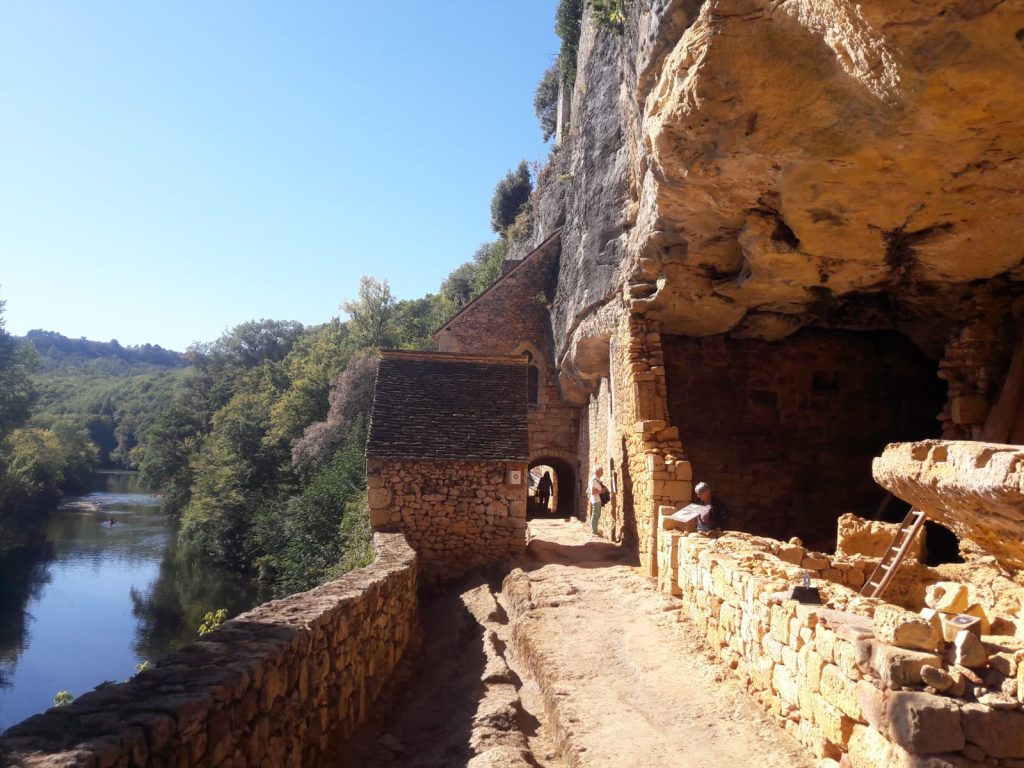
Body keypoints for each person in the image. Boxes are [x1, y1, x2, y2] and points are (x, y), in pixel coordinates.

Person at [589, 466, 610, 535]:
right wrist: (603, 491)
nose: (602, 472)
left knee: (596, 514)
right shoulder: (594, 480)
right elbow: (593, 492)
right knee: (596, 515)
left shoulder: (596, 479)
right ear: (597, 472)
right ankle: (593, 531)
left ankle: (594, 529)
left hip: (597, 499)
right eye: (601, 471)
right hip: (596, 500)